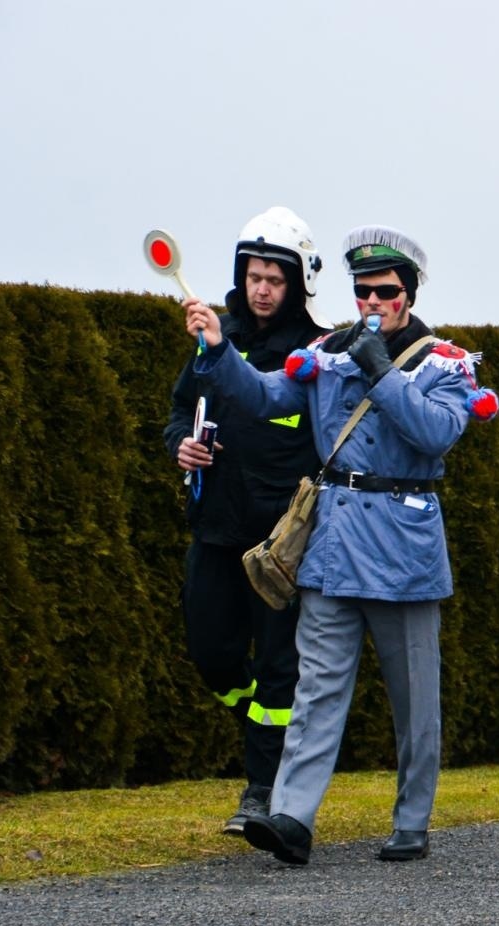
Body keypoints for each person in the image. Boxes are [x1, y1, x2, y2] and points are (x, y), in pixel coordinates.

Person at [181, 225, 498, 865]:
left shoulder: (446, 363)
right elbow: (269, 396)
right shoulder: (325, 352)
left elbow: (435, 434)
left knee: (414, 699)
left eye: (384, 292)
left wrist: (380, 370)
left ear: (407, 294)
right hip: (332, 542)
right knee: (317, 689)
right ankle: (291, 818)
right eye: (362, 293)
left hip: (403, 546)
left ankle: (412, 819)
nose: (372, 304)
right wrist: (219, 352)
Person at [162, 207, 330, 834]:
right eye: (253, 276)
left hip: (281, 543)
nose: (261, 288)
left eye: (274, 279)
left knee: (280, 667)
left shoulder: (318, 351)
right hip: (213, 528)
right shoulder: (216, 335)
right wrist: (180, 443)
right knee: (211, 653)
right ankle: (260, 728)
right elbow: (181, 411)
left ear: (297, 284)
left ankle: (262, 791)